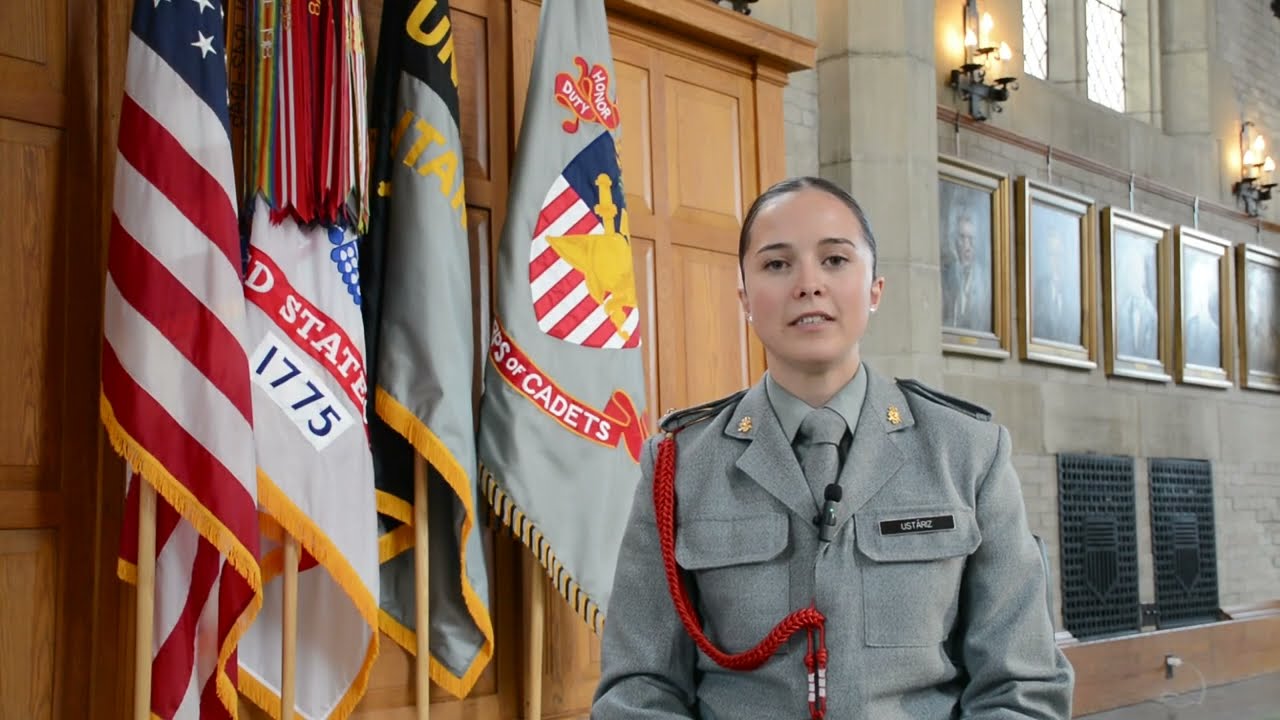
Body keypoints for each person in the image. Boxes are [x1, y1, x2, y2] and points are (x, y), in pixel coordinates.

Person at [593, 177, 1074, 719]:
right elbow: (639, 688)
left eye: (835, 260)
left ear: (874, 289)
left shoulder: (966, 453)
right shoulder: (680, 465)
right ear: (745, 298)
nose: (808, 284)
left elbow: (1023, 685)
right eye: (777, 265)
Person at [941, 199, 991, 331]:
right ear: (954, 239)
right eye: (962, 238)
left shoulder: (986, 280)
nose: (966, 246)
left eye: (971, 239)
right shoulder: (944, 276)